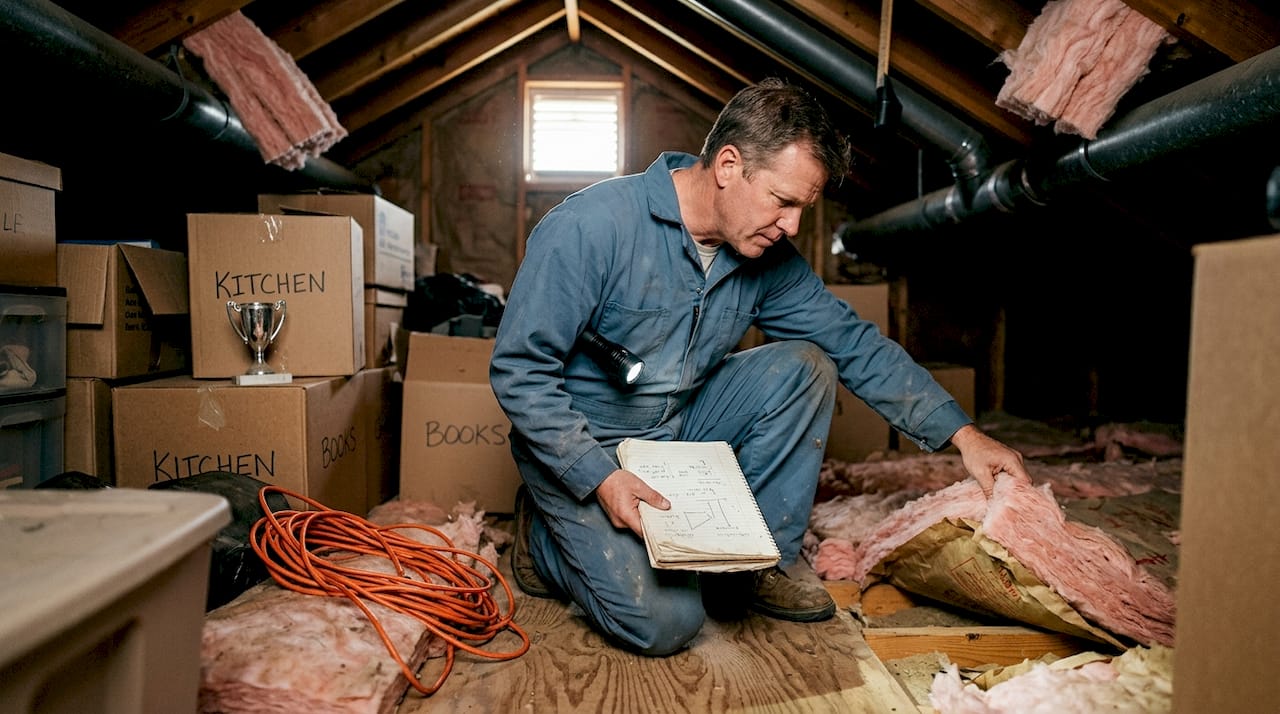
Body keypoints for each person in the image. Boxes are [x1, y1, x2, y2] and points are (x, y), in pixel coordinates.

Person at [489, 77, 1030, 657]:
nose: (792, 226)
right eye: (784, 201)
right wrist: (599, 477)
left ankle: (751, 567)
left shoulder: (765, 255)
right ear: (728, 165)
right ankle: (543, 541)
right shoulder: (589, 227)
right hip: (588, 447)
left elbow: (849, 341)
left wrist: (964, 436)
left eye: (803, 207)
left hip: (676, 430)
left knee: (806, 365)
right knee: (665, 624)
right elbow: (520, 370)